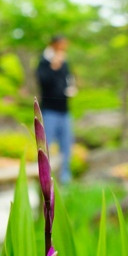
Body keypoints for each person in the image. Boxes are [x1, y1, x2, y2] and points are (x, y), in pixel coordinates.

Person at [36, 34, 76, 184]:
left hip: (64, 110)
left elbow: (68, 80)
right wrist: (53, 67)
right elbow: (43, 81)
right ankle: (44, 179)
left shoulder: (64, 61)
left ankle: (65, 179)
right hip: (49, 110)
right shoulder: (44, 62)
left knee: (66, 146)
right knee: (45, 146)